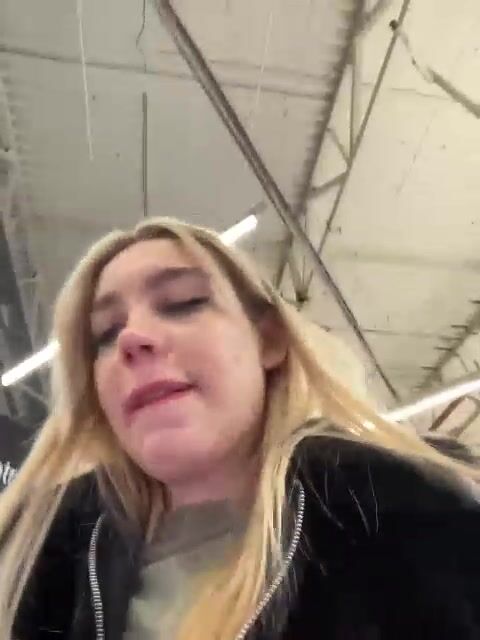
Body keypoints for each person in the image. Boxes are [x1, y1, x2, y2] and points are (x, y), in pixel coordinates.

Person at [1, 217, 479, 640]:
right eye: (104, 334)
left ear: (268, 339)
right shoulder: (42, 557)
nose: (131, 337)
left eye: (183, 302)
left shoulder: (408, 520)